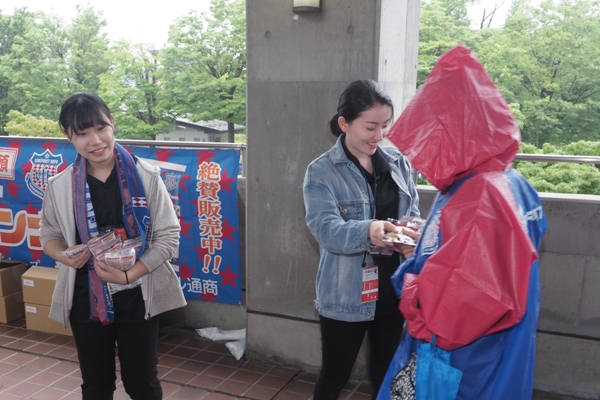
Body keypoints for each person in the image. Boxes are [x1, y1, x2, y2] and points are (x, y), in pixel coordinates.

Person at [377, 45, 547, 400]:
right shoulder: (510, 182)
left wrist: (408, 279)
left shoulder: (481, 194)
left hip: (465, 365)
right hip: (497, 354)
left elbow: (452, 310)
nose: (424, 159)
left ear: (454, 135)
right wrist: (425, 242)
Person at [40, 92, 187, 400]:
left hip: (138, 293)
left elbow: (168, 237)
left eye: (101, 128)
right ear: (68, 135)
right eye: (82, 133)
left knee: (142, 384)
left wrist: (128, 275)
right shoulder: (60, 185)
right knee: (96, 385)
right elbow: (49, 234)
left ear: (112, 123)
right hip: (86, 296)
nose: (95, 141)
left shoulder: (146, 176)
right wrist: (64, 256)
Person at [302, 79, 421, 400]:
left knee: (386, 376)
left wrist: (412, 233)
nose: (379, 135)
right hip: (345, 294)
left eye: (385, 125)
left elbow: (411, 211)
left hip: (392, 289)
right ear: (344, 123)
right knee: (334, 377)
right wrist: (368, 230)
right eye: (370, 127)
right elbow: (326, 230)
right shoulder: (322, 171)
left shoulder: (398, 162)